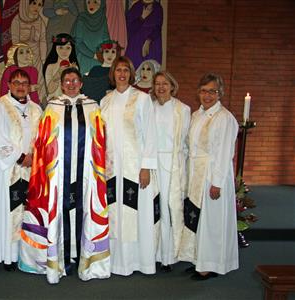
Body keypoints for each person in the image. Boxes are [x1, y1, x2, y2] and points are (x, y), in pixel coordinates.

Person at [18, 67, 110, 284]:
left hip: (86, 173)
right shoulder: (52, 107)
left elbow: (100, 140)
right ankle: (57, 258)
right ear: (61, 84)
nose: (71, 84)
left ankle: (84, 258)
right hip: (57, 173)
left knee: (85, 209)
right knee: (58, 210)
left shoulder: (92, 107)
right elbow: (42, 141)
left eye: (75, 80)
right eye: (67, 80)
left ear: (81, 83)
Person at [100, 56, 159, 276]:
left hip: (134, 167)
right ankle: (115, 261)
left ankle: (137, 262)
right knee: (114, 212)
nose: (122, 74)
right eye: (118, 70)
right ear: (113, 74)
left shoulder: (142, 99)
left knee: (134, 213)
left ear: (131, 74)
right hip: (111, 167)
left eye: (126, 70)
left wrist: (146, 167)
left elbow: (151, 135)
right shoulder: (105, 101)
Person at [178, 73, 239, 280]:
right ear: (198, 93)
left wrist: (217, 183)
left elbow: (224, 153)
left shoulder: (225, 118)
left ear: (219, 93)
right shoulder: (197, 115)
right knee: (197, 217)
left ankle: (210, 265)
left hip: (212, 175)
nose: (207, 95)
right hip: (196, 173)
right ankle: (199, 259)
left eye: (212, 91)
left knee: (211, 221)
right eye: (204, 91)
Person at [0, 69, 42, 271]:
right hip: (8, 170)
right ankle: (8, 255)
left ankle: (25, 254)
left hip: (31, 169)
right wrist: (21, 157)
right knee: (8, 211)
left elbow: (43, 138)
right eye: (16, 82)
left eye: (24, 83)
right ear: (8, 85)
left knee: (27, 211)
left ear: (29, 87)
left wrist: (33, 156)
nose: (20, 86)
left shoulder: (36, 109)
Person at [150, 71, 190, 271]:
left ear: (172, 86)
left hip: (172, 163)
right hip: (153, 164)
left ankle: (168, 256)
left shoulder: (182, 110)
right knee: (154, 209)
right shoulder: (150, 108)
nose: (161, 87)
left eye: (165, 83)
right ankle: (154, 254)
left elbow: (186, 142)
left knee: (169, 209)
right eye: (157, 84)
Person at [70, 0, 110, 74]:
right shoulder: (81, 19)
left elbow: (106, 39)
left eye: (95, 2)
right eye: (88, 2)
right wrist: (93, 55)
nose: (91, 5)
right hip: (84, 58)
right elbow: (78, 42)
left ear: (101, 5)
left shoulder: (102, 18)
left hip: (99, 59)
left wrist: (106, 53)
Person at [125, 0, 163, 68]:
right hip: (135, 45)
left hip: (152, 46)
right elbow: (129, 28)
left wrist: (148, 41)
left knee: (149, 68)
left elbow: (157, 28)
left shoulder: (157, 7)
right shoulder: (136, 6)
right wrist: (142, 17)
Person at [43, 33, 79, 100]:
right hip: (54, 103)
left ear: (72, 49)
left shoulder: (74, 67)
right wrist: (58, 74)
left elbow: (76, 90)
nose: (64, 51)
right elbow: (49, 90)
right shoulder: (50, 67)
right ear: (55, 48)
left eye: (68, 48)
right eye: (61, 47)